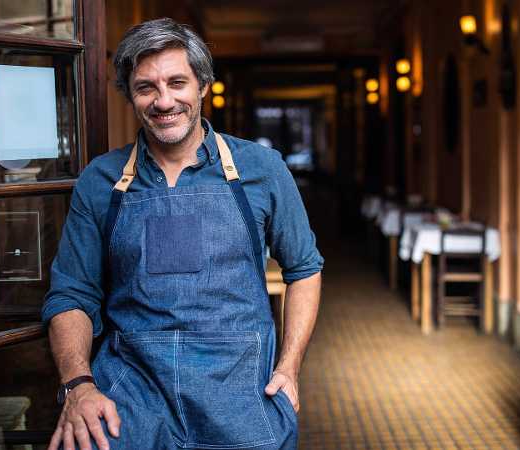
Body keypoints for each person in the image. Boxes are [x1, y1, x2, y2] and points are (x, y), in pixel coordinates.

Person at [41, 17, 323, 450]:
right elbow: (71, 294)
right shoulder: (101, 180)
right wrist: (78, 385)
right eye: (146, 87)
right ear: (130, 94)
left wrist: (289, 367)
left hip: (240, 393)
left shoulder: (262, 170)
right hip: (132, 393)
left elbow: (303, 269)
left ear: (203, 85)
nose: (164, 101)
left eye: (177, 83)